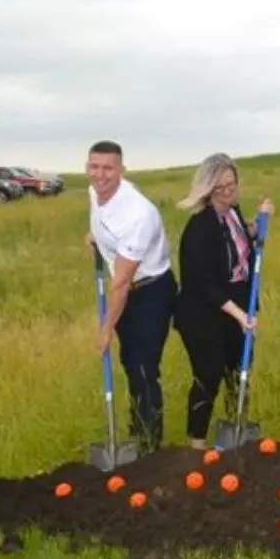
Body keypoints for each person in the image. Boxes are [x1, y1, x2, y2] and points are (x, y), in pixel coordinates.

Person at [172, 153, 275, 450]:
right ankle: (196, 445)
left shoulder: (232, 212)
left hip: (238, 305)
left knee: (238, 372)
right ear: (207, 190)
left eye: (232, 184)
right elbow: (204, 284)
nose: (228, 191)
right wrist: (240, 316)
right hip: (203, 313)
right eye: (220, 187)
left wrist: (258, 225)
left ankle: (237, 430)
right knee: (208, 375)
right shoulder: (199, 228)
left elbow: (237, 243)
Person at [85, 140, 178, 453]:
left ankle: (151, 446)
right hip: (128, 289)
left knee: (144, 367)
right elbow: (100, 219)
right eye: (94, 166)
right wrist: (97, 237)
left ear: (121, 170)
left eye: (108, 168)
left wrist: (106, 329)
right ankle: (136, 430)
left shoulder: (138, 215)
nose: (100, 175)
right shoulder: (95, 191)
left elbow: (121, 283)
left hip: (151, 291)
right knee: (130, 362)